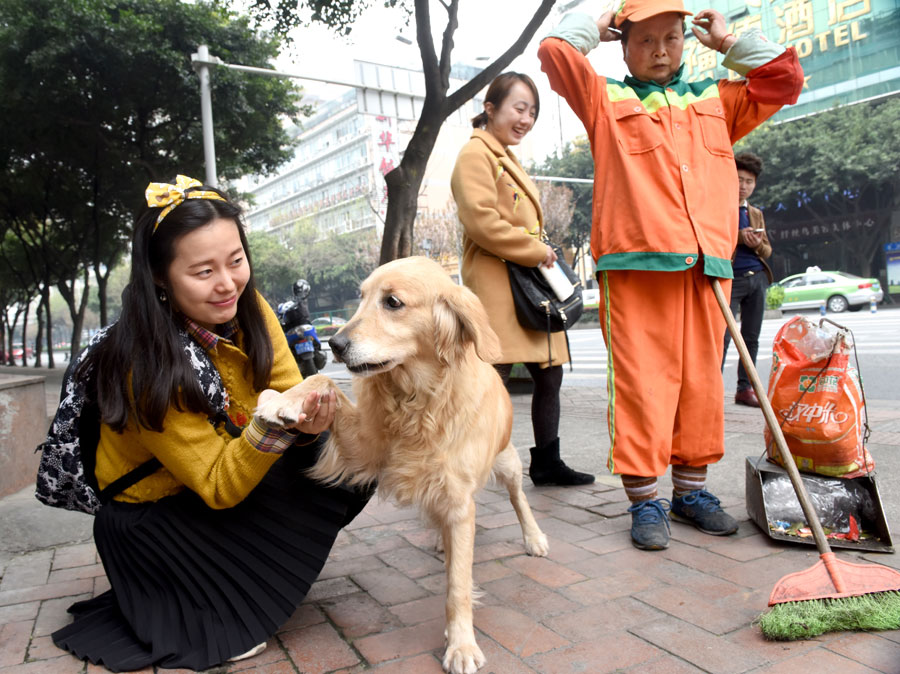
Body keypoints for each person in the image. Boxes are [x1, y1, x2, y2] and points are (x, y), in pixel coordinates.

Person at [51, 175, 370, 671]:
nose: (227, 284)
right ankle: (199, 590)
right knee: (225, 637)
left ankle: (250, 575)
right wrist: (275, 425)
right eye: (203, 271)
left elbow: (290, 388)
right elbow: (220, 485)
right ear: (160, 277)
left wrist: (306, 420)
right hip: (154, 522)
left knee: (348, 452)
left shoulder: (249, 306)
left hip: (218, 476)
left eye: (236, 260)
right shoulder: (145, 363)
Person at [538, 0, 803, 549]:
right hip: (636, 266)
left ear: (688, 38)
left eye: (672, 37)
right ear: (623, 42)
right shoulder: (603, 99)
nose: (660, 50)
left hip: (709, 265)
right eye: (645, 40)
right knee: (643, 384)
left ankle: (690, 494)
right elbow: (556, 53)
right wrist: (598, 21)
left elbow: (784, 79)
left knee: (701, 384)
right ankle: (644, 500)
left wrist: (729, 45)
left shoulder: (717, 99)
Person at [450, 72, 594, 487]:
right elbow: (481, 222)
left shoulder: (503, 157)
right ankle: (468, 466)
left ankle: (547, 462)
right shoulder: (475, 155)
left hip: (527, 284)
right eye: (518, 108)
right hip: (500, 283)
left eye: (532, 111)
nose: (526, 119)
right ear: (490, 108)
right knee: (490, 381)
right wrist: (535, 250)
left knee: (549, 373)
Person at [723, 152, 773, 408]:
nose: (743, 186)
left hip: (757, 278)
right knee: (722, 337)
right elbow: (715, 242)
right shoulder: (718, 208)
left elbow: (767, 249)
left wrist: (755, 243)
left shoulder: (755, 213)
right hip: (730, 279)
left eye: (749, 181)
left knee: (751, 337)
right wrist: (740, 238)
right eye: (739, 179)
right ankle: (710, 390)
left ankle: (745, 389)